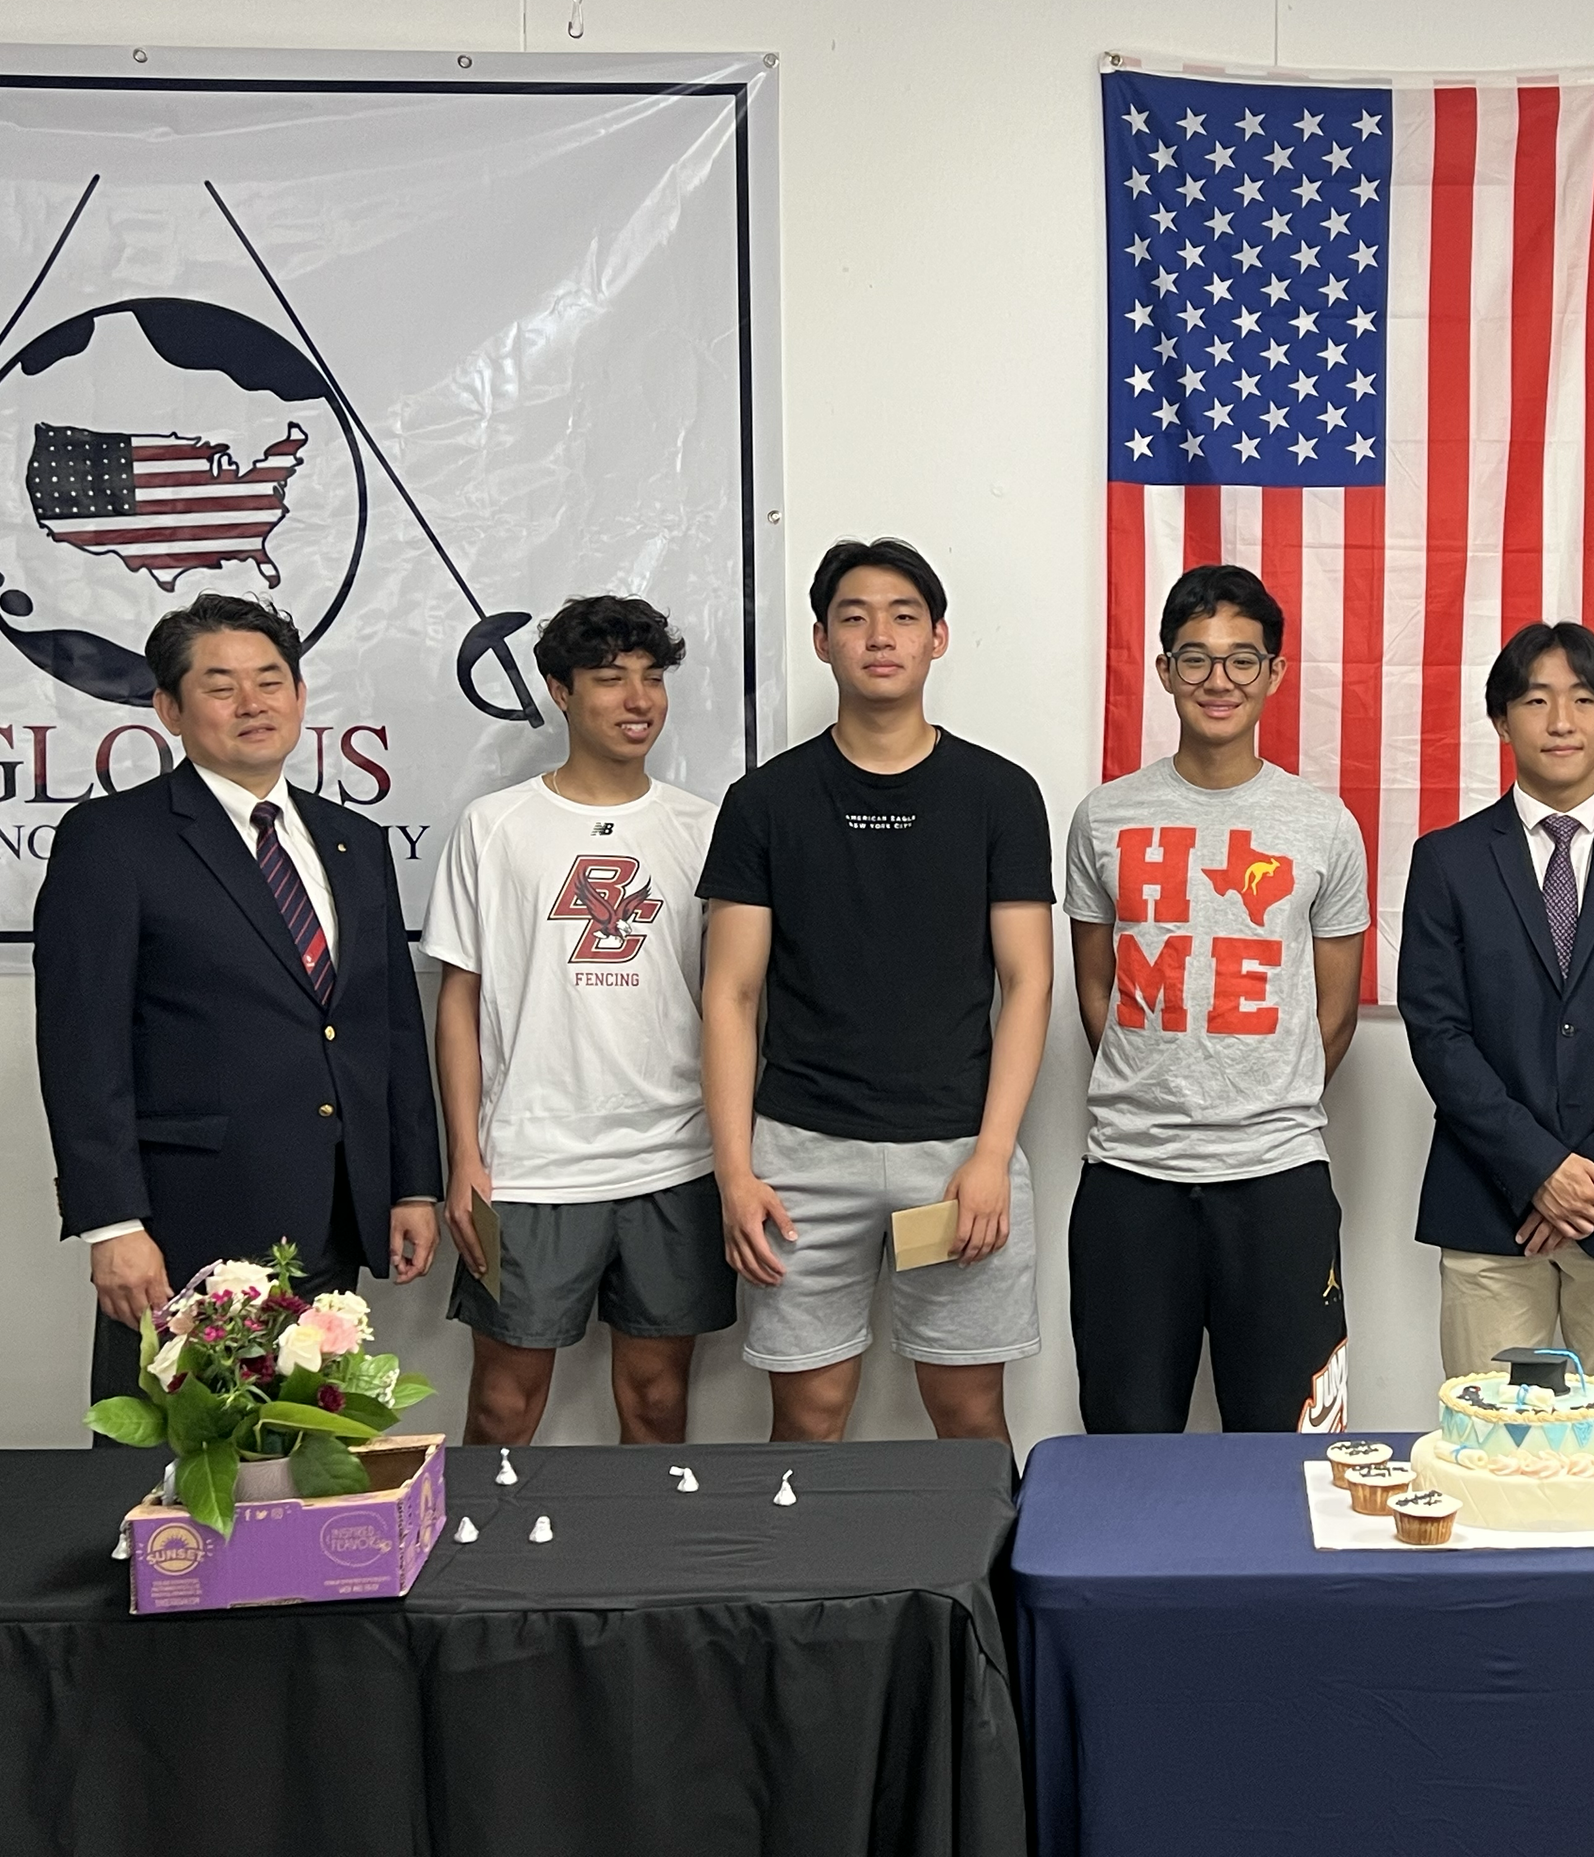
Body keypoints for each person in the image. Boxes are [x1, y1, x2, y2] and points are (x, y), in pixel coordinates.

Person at [34, 594, 441, 1415]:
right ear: (169, 708)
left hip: (332, 1210)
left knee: (307, 1444)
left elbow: (388, 1023)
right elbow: (82, 1045)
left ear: (299, 693)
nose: (252, 702)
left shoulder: (352, 840)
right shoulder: (113, 839)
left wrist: (412, 1183)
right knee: (167, 1452)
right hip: (187, 1221)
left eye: (271, 680)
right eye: (221, 686)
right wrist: (111, 1224)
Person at [699, 539, 1054, 1444]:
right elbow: (731, 994)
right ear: (823, 640)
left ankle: (975, 1559)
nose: (880, 636)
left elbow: (1028, 981)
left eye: (903, 616)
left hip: (958, 1150)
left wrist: (992, 1153)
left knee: (968, 1412)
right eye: (854, 617)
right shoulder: (765, 801)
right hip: (802, 1154)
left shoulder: (1000, 793)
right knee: (808, 1414)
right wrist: (736, 1171)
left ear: (939, 637)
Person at [1064, 563, 1370, 1433]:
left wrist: (1260, 1092)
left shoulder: (1324, 824)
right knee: (1125, 1440)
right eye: (1195, 658)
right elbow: (1096, 988)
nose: (1218, 680)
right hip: (1130, 1176)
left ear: (1274, 673)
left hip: (1278, 1177)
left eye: (1243, 659)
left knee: (1292, 1444)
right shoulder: (1103, 817)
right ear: (1165, 670)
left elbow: (1336, 1014)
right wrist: (1158, 1082)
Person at [423, 595, 732, 1446]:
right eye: (610, 678)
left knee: (658, 1402)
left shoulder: (705, 828)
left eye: (652, 677)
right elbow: (458, 1000)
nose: (638, 699)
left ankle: (646, 1539)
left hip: (674, 1159)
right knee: (502, 1405)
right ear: (560, 691)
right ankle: (480, 1537)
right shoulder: (494, 827)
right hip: (528, 1166)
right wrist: (465, 1156)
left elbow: (735, 999)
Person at [1398, 622, 1594, 1429]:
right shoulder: (1447, 860)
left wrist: (1593, 1174)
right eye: (1536, 700)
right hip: (1487, 1202)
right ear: (1501, 720)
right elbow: (1437, 1030)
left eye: (1583, 699)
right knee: (1489, 1440)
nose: (1562, 721)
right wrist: (1538, 1166)